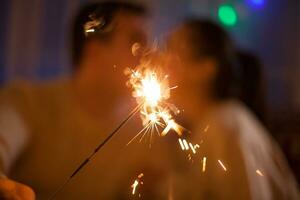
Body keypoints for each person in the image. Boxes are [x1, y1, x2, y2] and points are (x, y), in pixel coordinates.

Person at [0, 2, 152, 199]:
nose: (149, 57)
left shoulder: (140, 132)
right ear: (95, 51)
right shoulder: (28, 102)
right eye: (137, 43)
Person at [166, 19, 299, 199]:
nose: (162, 62)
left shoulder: (226, 126)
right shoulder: (206, 125)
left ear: (206, 68)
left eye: (173, 52)